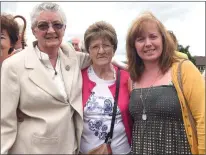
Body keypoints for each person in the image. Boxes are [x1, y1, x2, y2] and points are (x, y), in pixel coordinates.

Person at [1, 2, 91, 154]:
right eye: (43, 26)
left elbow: (100, 57)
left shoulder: (72, 58)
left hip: (69, 148)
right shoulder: (14, 66)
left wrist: (131, 68)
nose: (51, 30)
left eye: (57, 25)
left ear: (64, 29)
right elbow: (5, 122)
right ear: (33, 31)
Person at [126, 12, 205, 154]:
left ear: (163, 39)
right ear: (133, 46)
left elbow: (203, 118)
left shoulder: (183, 69)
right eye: (140, 39)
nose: (148, 44)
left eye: (153, 37)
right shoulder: (132, 78)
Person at [80, 21, 132, 154]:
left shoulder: (127, 77)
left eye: (106, 45)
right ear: (88, 51)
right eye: (95, 46)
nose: (101, 51)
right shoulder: (78, 78)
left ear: (114, 49)